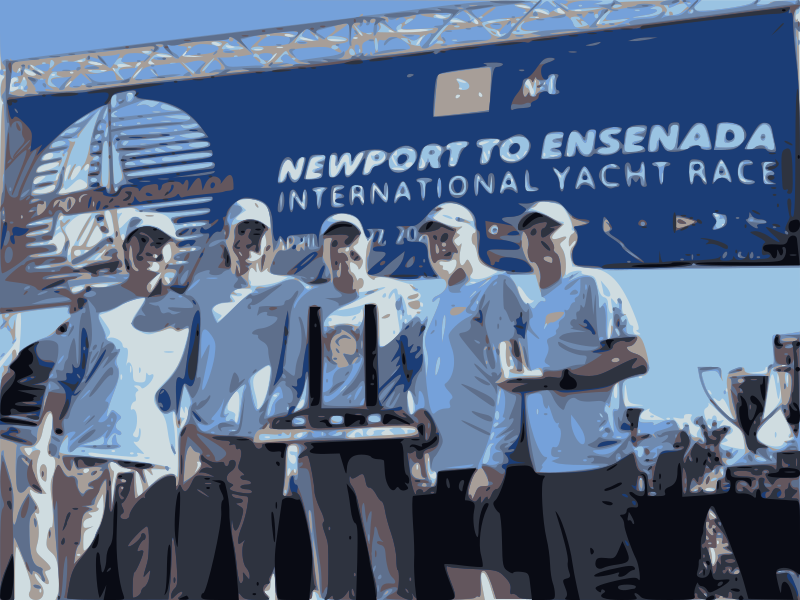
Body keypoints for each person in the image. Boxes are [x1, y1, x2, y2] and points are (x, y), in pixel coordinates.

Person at [28, 210, 200, 599]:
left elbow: (194, 386)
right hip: (84, 464)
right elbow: (63, 380)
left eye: (159, 242)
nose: (149, 250)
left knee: (146, 589)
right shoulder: (95, 305)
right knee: (80, 586)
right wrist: (41, 444)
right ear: (126, 248)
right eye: (141, 240)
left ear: (173, 252)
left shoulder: (189, 312)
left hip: (152, 467)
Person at [267, 213, 433, 600]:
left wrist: (423, 411)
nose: (343, 250)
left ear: (368, 245)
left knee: (392, 576)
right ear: (323, 250)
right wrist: (276, 418)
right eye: (334, 243)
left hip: (381, 444)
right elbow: (290, 376)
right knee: (331, 580)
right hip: (318, 448)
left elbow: (418, 367)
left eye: (350, 241)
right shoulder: (307, 301)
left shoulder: (397, 295)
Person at [498, 201, 649, 599]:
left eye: (549, 229)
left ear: (572, 236)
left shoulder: (592, 284)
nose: (540, 238)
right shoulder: (532, 311)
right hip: (553, 474)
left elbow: (634, 356)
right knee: (568, 590)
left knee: (610, 587)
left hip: (600, 468)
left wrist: (556, 379)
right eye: (530, 233)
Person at [176, 199, 308, 600]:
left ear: (270, 239)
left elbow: (294, 372)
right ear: (227, 234)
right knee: (188, 575)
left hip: (257, 448)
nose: (249, 240)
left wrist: (273, 425)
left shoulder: (292, 292)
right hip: (201, 443)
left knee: (254, 580)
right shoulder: (202, 289)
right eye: (242, 231)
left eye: (258, 232)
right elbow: (183, 360)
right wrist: (186, 427)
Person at [412, 202, 533, 600]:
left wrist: (495, 461)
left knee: (508, 587)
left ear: (473, 237)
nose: (440, 245)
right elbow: (434, 379)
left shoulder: (496, 287)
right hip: (449, 468)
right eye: (433, 238)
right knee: (464, 586)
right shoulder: (436, 304)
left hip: (495, 468)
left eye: (449, 235)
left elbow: (513, 379)